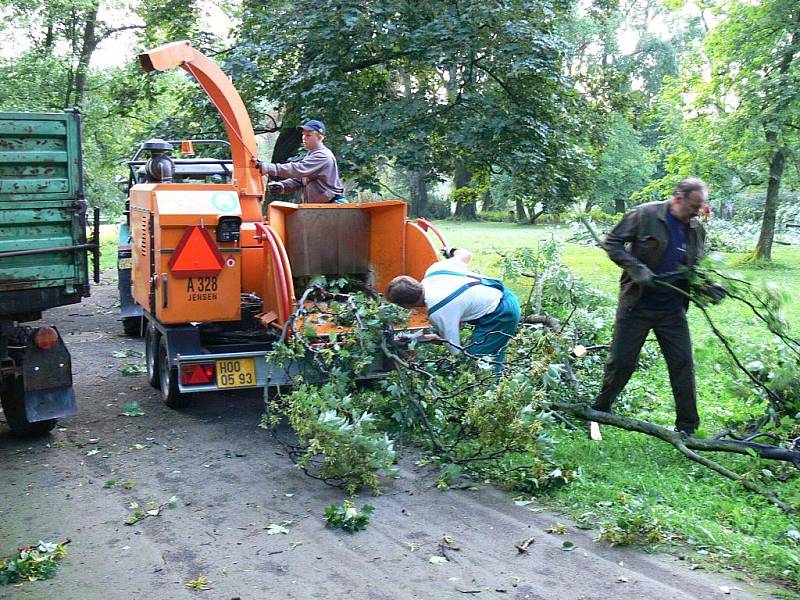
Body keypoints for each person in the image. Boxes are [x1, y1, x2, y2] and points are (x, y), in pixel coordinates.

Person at [591, 178, 717, 436]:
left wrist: (707, 286)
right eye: (694, 206)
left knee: (682, 365)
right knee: (622, 362)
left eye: (700, 207)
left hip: (672, 310)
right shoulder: (645, 215)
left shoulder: (696, 230)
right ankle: (599, 411)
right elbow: (612, 242)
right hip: (637, 304)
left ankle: (687, 428)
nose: (696, 212)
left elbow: (695, 269)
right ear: (678, 197)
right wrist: (636, 268)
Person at [385, 249, 521, 369]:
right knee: (493, 349)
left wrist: (435, 339)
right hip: (500, 294)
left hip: (500, 314)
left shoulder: (438, 311)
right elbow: (466, 254)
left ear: (406, 306)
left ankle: (491, 390)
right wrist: (451, 250)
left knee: (475, 364)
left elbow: (456, 350)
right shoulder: (435, 269)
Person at [255, 119, 345, 203]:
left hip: (333, 205)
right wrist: (283, 186)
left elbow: (298, 169)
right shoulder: (311, 154)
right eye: (303, 134)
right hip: (322, 206)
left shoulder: (323, 156)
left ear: (320, 137)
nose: (304, 138)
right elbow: (301, 180)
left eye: (308, 135)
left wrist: (268, 167)